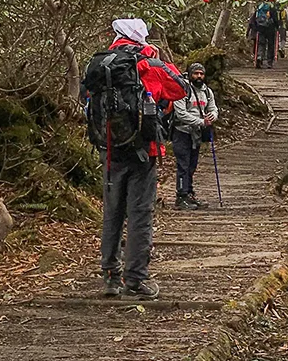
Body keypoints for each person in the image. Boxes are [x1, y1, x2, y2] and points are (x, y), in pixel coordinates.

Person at [83, 18, 188, 300]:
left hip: (109, 149)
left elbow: (86, 99)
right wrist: (156, 58)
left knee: (112, 212)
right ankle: (136, 279)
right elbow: (180, 88)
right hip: (144, 150)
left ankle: (109, 277)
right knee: (140, 214)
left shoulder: (100, 64)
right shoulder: (147, 63)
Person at [170, 63, 219, 210]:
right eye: (196, 73)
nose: (199, 76)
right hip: (182, 132)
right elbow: (181, 113)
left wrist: (213, 116)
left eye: (201, 74)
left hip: (196, 134)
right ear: (190, 74)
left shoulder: (207, 91)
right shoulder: (182, 90)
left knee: (192, 165)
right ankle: (181, 196)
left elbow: (213, 108)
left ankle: (189, 193)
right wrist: (201, 121)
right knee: (183, 165)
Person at [247, 1, 279, 69]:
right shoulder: (272, 7)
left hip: (260, 28)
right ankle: (269, 62)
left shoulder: (260, 6)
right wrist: (277, 26)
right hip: (270, 28)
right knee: (271, 45)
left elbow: (254, 18)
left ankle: (259, 57)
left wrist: (255, 28)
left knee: (261, 43)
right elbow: (276, 19)